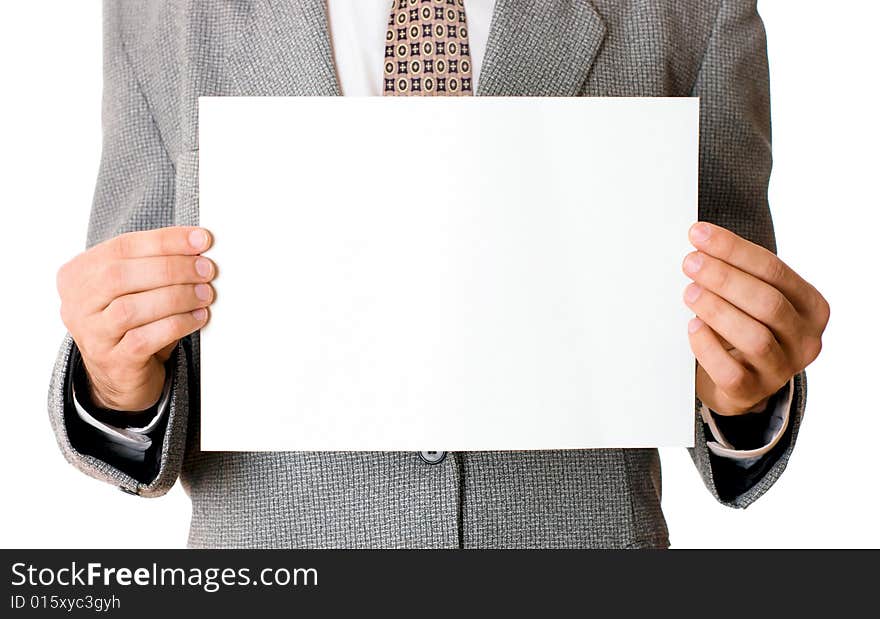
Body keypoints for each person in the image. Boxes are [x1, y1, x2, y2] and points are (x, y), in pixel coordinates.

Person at [49, 0, 829, 548]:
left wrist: (743, 388)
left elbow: (727, 352)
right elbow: (134, 342)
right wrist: (116, 385)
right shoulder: (159, 12)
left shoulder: (696, 8)